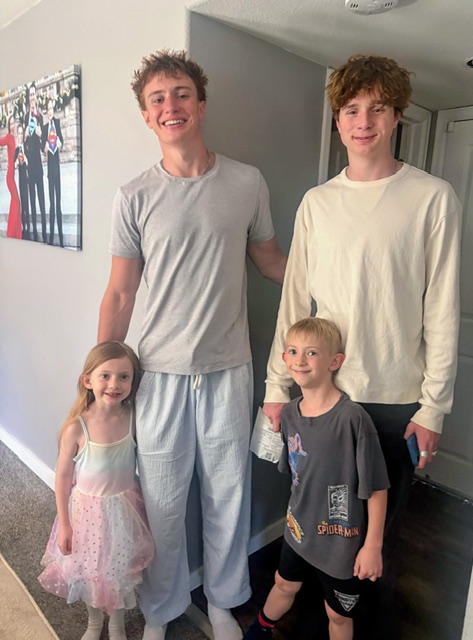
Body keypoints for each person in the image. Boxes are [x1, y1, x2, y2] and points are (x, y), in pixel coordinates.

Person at [263, 54, 461, 638]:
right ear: (338, 120)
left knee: (373, 535)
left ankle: (356, 620)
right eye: (351, 110)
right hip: (320, 395)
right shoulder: (317, 203)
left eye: (377, 108)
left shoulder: (432, 197)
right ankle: (304, 613)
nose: (364, 121)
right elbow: (295, 301)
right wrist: (277, 384)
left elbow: (442, 308)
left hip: (396, 400)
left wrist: (434, 407)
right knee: (315, 516)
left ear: (397, 115)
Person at [97, 50, 287, 640]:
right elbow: (121, 292)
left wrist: (336, 278)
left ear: (200, 105)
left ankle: (225, 601)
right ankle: (161, 609)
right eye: (157, 99)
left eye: (181, 93)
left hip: (229, 369)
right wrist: (100, 381)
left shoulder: (247, 181)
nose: (170, 105)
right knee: (162, 501)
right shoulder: (133, 195)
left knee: (229, 494)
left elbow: (271, 262)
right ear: (147, 116)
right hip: (158, 375)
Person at [244, 317, 389, 640]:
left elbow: (377, 487)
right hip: (298, 529)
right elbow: (297, 474)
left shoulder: (353, 419)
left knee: (337, 614)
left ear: (334, 362)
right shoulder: (289, 414)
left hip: (341, 540)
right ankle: (260, 629)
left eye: (311, 353)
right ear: (284, 358)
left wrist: (372, 546)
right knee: (284, 583)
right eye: (293, 351)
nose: (300, 360)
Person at [38, 342, 155, 640]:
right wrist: (65, 525)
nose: (114, 385)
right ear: (88, 380)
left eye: (124, 377)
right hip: (86, 517)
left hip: (123, 513)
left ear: (133, 381)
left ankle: (116, 624)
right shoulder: (76, 428)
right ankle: (94, 622)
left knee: (119, 571)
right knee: (89, 572)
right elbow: (63, 477)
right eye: (105, 376)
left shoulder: (134, 418)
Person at [24, 81, 47, 243]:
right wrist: (25, 134)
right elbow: (22, 142)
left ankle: (45, 232)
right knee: (31, 198)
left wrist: (40, 134)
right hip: (29, 163)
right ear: (28, 98)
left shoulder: (40, 117)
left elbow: (45, 144)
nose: (32, 97)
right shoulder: (26, 117)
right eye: (30, 95)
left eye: (33, 94)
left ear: (36, 97)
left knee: (41, 198)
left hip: (38, 162)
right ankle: (33, 233)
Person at [42, 97, 64, 246]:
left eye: (51, 109)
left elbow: (61, 141)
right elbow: (42, 149)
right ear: (46, 112)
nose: (49, 112)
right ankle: (50, 237)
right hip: (50, 170)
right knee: (51, 204)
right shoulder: (45, 128)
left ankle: (61, 238)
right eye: (48, 109)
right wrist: (44, 148)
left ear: (53, 110)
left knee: (58, 205)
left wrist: (60, 143)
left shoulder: (57, 123)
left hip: (57, 169)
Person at [0, 114, 22, 239]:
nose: (12, 126)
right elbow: (0, 141)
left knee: (15, 202)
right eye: (11, 124)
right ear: (8, 125)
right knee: (16, 202)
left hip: (13, 176)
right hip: (9, 177)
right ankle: (12, 233)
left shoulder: (14, 138)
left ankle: (15, 232)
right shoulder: (9, 137)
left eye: (14, 123)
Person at [14, 123, 31, 239]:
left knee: (28, 202)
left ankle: (29, 226)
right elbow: (14, 166)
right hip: (21, 180)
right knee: (23, 202)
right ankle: (24, 226)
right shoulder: (16, 150)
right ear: (17, 135)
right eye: (19, 133)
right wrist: (16, 162)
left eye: (21, 133)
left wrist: (26, 159)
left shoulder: (27, 147)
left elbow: (31, 163)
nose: (20, 136)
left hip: (29, 178)